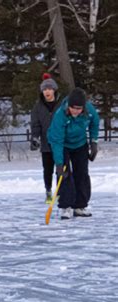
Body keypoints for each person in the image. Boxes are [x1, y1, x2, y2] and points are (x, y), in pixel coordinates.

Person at [47, 87, 100, 220]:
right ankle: (66, 206)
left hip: (80, 143)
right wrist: (59, 163)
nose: (76, 111)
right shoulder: (60, 115)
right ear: (69, 106)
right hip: (62, 144)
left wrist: (93, 142)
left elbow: (95, 123)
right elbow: (57, 141)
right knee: (65, 175)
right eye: (73, 108)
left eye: (79, 108)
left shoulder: (89, 110)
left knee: (82, 173)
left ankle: (80, 206)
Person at [30, 73, 61, 203]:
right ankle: (48, 191)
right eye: (44, 90)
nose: (47, 92)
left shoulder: (62, 104)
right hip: (46, 144)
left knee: (61, 169)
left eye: (49, 89)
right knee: (47, 170)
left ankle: (61, 192)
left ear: (54, 90)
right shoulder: (37, 107)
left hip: (60, 143)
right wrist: (35, 138)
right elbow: (35, 125)